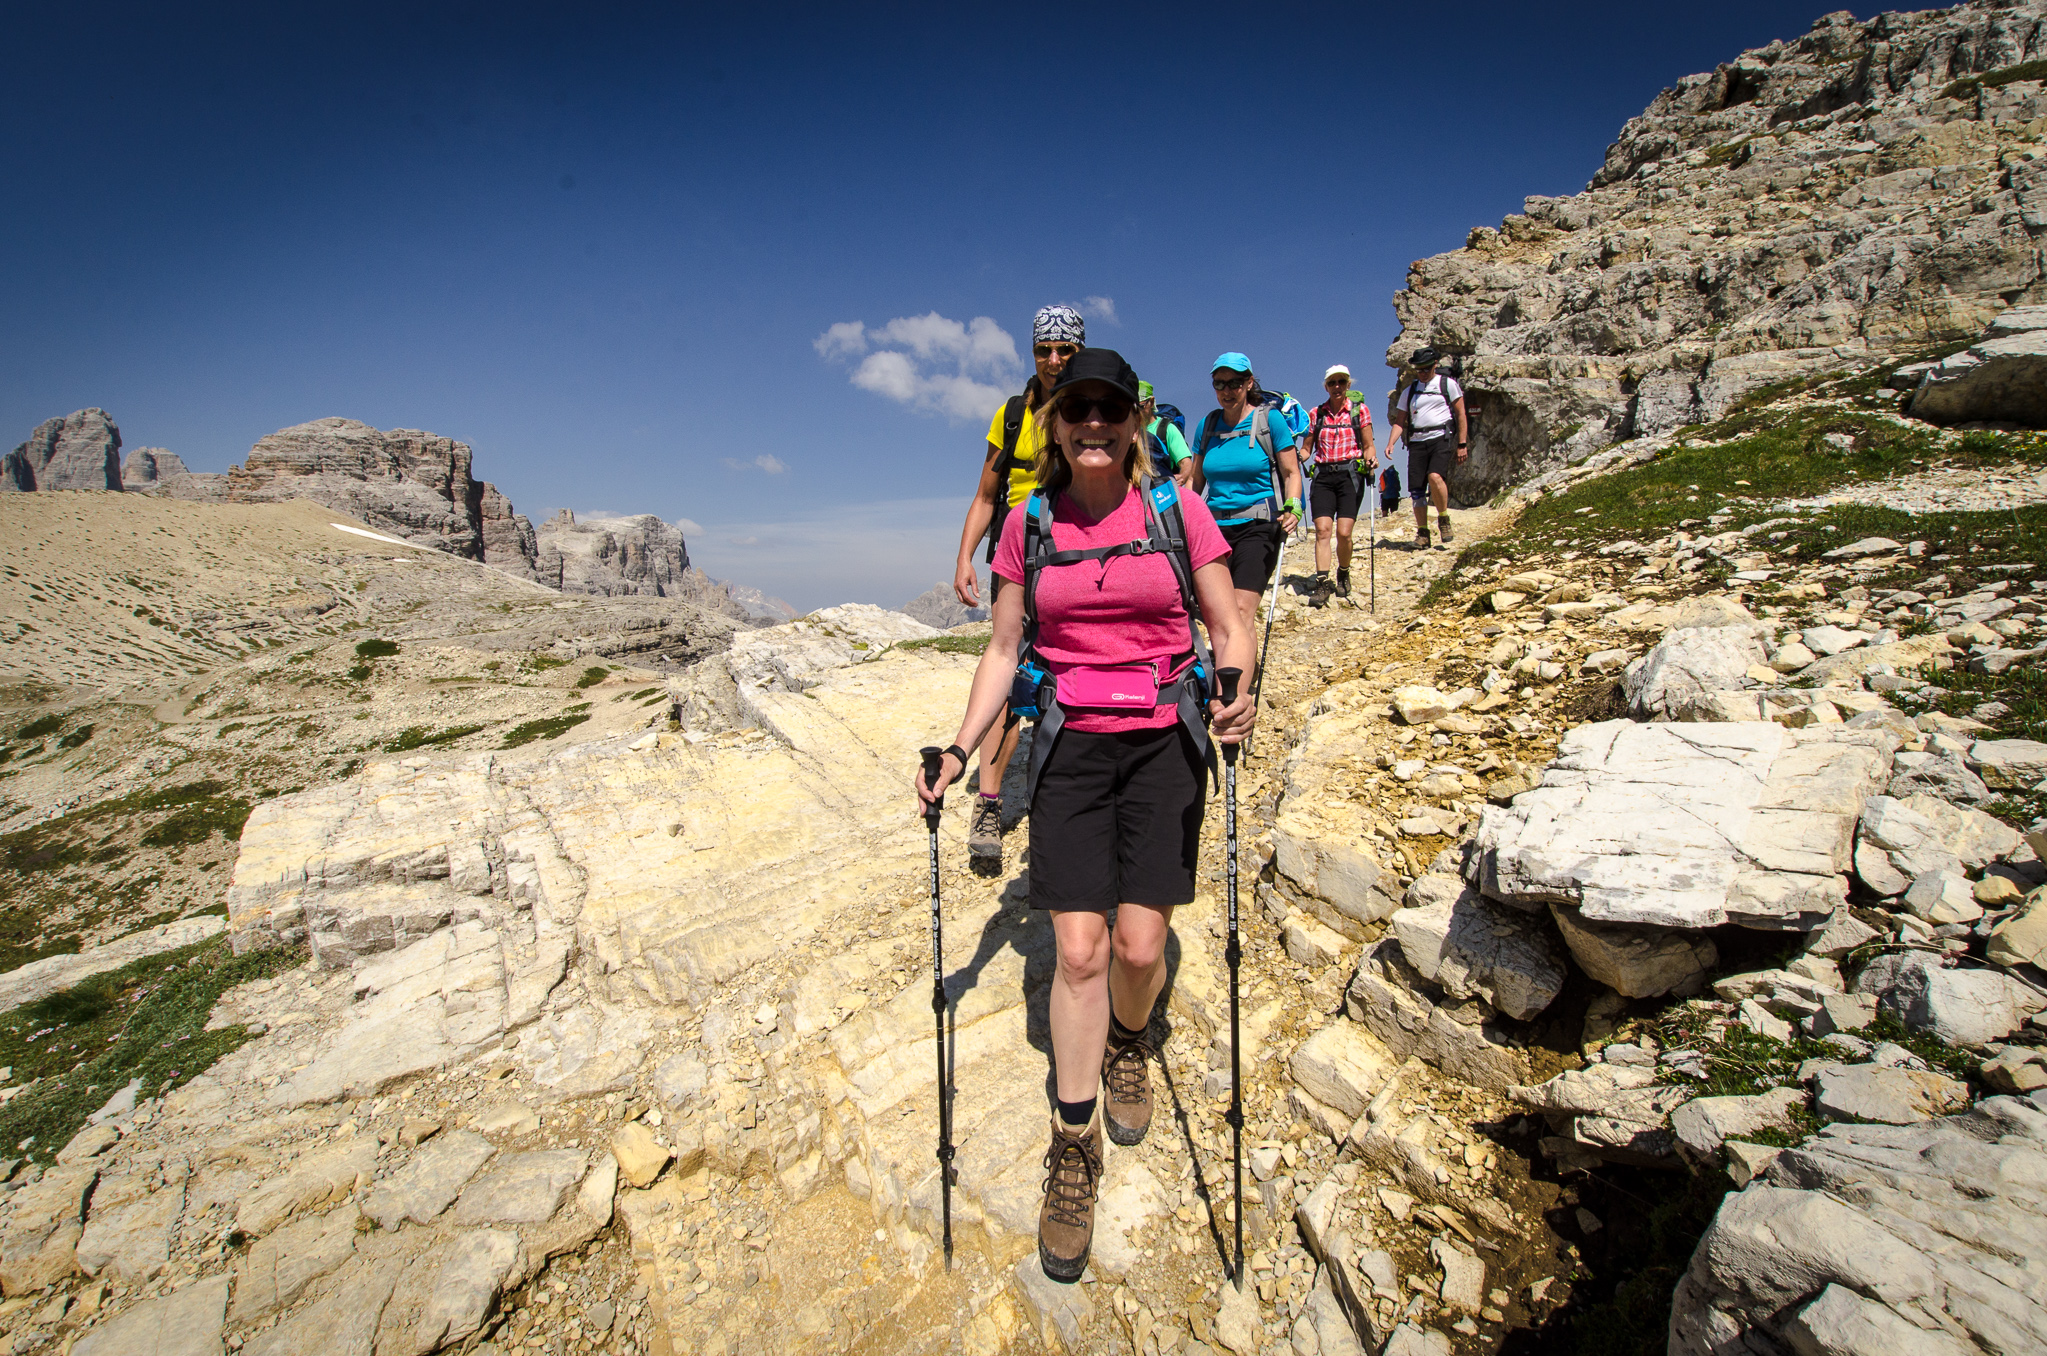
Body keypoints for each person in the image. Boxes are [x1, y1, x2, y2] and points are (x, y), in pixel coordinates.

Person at [915, 347, 1255, 1284]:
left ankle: (1128, 1043)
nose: (1093, 423)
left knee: (1139, 951)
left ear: (1134, 422)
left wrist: (1238, 690)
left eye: (1109, 408)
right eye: (1076, 410)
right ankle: (1074, 1142)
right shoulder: (1027, 523)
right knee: (1077, 953)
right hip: (1068, 747)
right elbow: (1003, 649)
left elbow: (1228, 623)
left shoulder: (1176, 510)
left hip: (1162, 744)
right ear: (1054, 426)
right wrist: (959, 749)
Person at [949, 305, 1084, 858]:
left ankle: (1072, 788)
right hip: (1016, 552)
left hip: (1075, 550)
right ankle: (988, 800)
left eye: (1064, 349)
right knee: (1008, 667)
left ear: (1078, 351)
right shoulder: (1011, 415)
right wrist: (964, 557)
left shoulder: (1091, 408)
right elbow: (987, 494)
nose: (1053, 360)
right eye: (1043, 349)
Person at [1187, 353, 1305, 634]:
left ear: (1249, 383)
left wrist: (1294, 505)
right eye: (1220, 384)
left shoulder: (1270, 420)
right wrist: (1180, 515)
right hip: (1214, 529)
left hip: (1260, 525)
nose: (1227, 390)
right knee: (1217, 612)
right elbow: (1195, 479)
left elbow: (1291, 472)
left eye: (1234, 383)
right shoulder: (1207, 425)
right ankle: (1228, 659)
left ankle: (1237, 664)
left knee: (1241, 610)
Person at [1303, 365, 1376, 606]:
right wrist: (1293, 458)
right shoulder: (1316, 414)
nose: (1337, 386)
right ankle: (1322, 583)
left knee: (1344, 533)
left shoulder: (1359, 411)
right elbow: (1307, 448)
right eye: (1332, 382)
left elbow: (1368, 445)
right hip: (1323, 476)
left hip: (1349, 476)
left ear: (1348, 385)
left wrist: (1371, 459)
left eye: (1341, 382)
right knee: (1323, 530)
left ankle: (1343, 571)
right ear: (1326, 386)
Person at [1385, 346, 1467, 550]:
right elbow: (1400, 421)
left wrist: (1462, 443)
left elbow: (1461, 413)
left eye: (1426, 369)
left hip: (1440, 437)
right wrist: (1391, 442)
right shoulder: (1410, 391)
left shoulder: (1447, 384)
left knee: (1435, 477)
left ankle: (1443, 519)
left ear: (1435, 365)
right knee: (1417, 490)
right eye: (1419, 369)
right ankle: (1423, 533)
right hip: (1417, 441)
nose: (1422, 373)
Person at [1139, 380, 1193, 484]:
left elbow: (1185, 462)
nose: (1137, 411)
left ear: (1151, 402)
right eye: (1132, 407)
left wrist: (1182, 477)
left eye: (1141, 406)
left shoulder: (1167, 429)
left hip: (1160, 487)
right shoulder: (1129, 430)